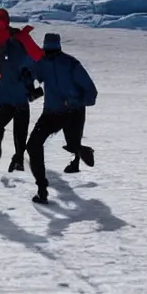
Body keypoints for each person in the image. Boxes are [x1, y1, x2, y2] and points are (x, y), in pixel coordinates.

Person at [23, 33, 98, 204]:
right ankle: (42, 189)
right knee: (33, 146)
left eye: (50, 50)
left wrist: (72, 101)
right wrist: (29, 86)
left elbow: (91, 93)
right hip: (52, 113)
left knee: (70, 145)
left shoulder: (71, 64)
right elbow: (29, 71)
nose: (48, 54)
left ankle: (78, 151)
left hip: (73, 112)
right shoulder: (44, 63)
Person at [0, 8, 44, 171]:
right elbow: (38, 61)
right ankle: (16, 158)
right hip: (18, 94)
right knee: (18, 130)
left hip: (9, 95)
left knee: (1, 124)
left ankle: (1, 154)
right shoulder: (17, 39)